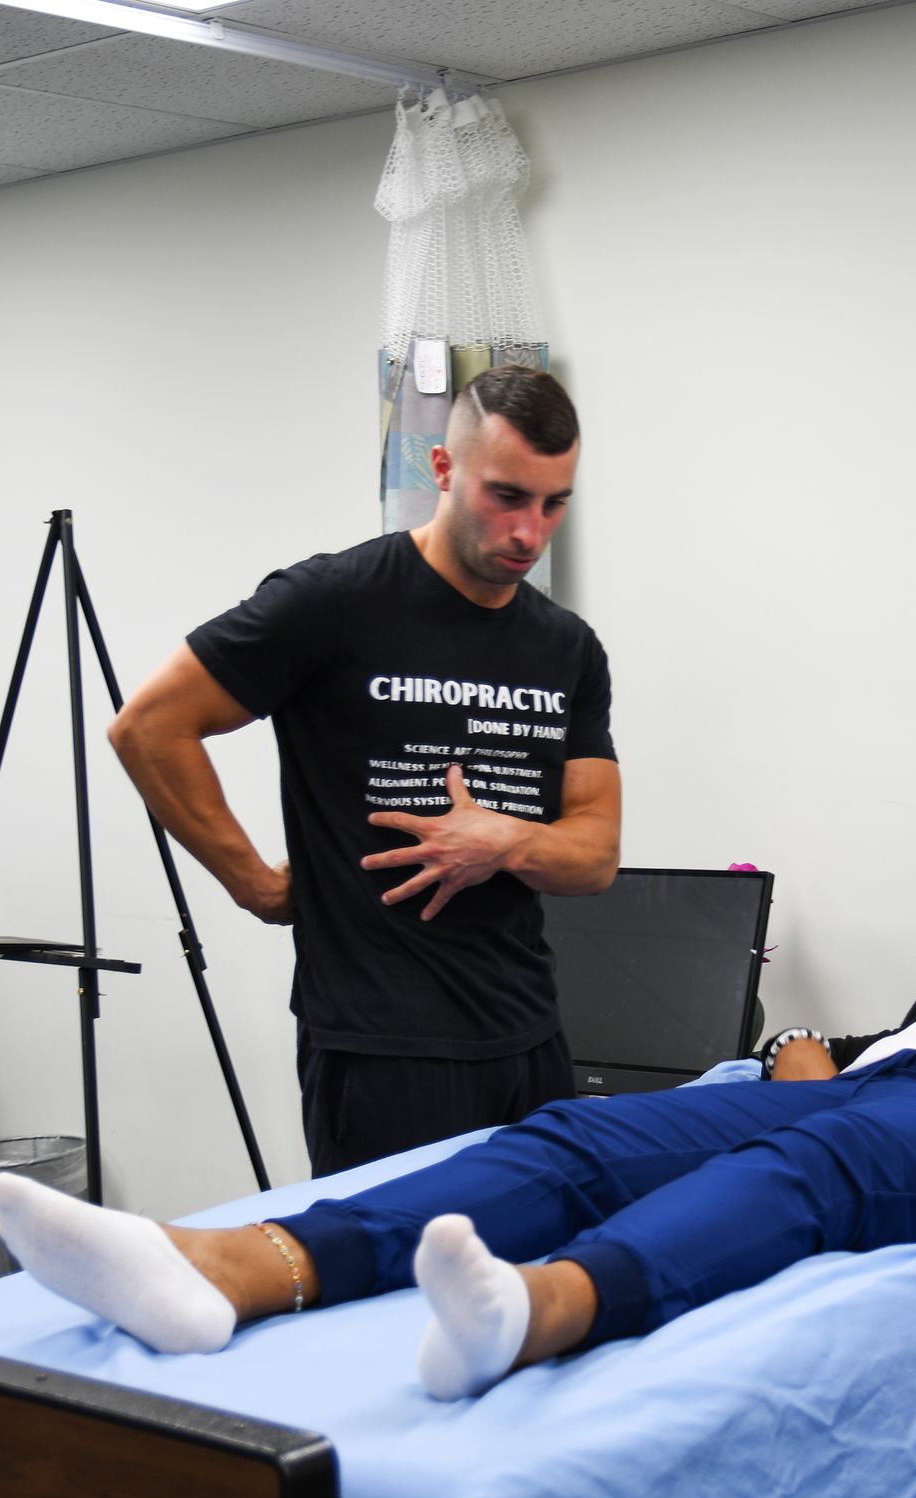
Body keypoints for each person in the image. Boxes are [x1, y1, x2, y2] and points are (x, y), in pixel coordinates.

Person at [0, 936, 916, 1399]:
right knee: (573, 1132)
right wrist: (799, 1039)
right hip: (875, 1087)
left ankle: (544, 1309)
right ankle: (239, 1263)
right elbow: (840, 1038)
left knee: (836, 1164)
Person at [108, 366, 621, 1176]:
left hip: (529, 1036)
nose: (530, 531)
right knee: (390, 1291)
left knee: (526, 1281)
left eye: (553, 503)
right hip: (382, 1049)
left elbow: (594, 853)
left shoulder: (566, 649)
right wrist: (253, 881)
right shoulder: (334, 602)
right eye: (507, 496)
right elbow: (149, 726)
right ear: (443, 471)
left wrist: (506, 839)